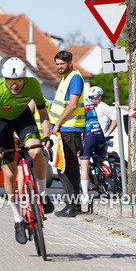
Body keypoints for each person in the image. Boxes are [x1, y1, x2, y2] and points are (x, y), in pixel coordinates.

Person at [0, 57, 54, 245]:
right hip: (1, 123)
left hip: (23, 119)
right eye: (10, 82)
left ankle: (43, 197)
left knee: (36, 152)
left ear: (25, 79)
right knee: (10, 174)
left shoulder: (33, 85)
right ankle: (17, 219)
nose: (14, 85)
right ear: (4, 79)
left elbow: (43, 114)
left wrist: (46, 136)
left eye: (19, 81)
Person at [48, 50, 85, 216]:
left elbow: (72, 105)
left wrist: (58, 124)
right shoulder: (65, 79)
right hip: (65, 129)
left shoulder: (74, 78)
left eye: (62, 64)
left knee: (67, 169)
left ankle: (71, 206)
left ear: (71, 62)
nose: (59, 67)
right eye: (57, 64)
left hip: (69, 129)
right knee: (68, 168)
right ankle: (74, 205)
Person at [78, 86, 110, 208]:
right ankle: (110, 177)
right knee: (101, 159)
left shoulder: (80, 103)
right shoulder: (91, 104)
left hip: (90, 134)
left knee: (84, 164)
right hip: (99, 133)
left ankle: (85, 194)